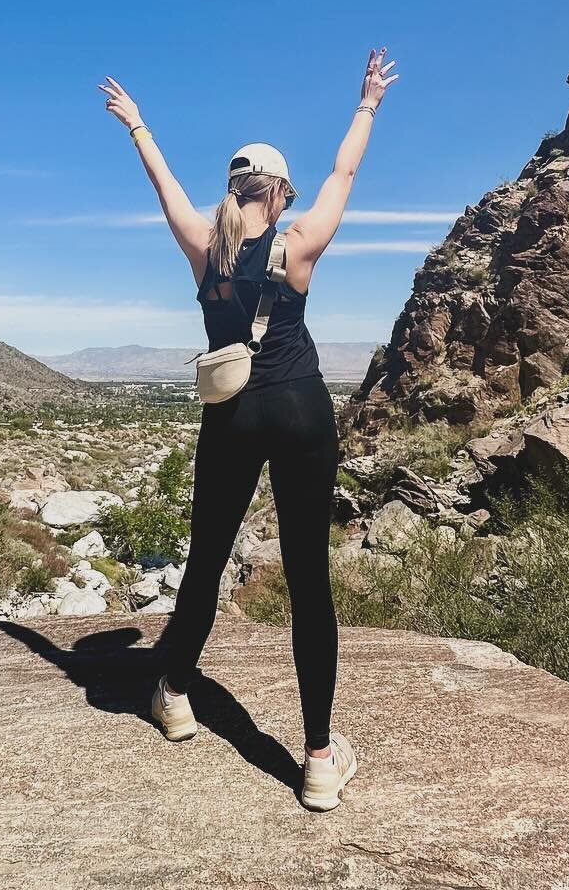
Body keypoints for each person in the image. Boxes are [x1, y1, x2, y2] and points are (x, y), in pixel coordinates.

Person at [96, 47, 398, 811]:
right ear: (280, 191)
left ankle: (172, 693)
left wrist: (139, 127)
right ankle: (320, 760)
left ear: (232, 190)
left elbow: (162, 184)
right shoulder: (296, 248)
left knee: (204, 559)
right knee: (308, 580)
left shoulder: (205, 247)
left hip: (231, 415)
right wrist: (367, 105)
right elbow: (346, 176)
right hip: (300, 408)